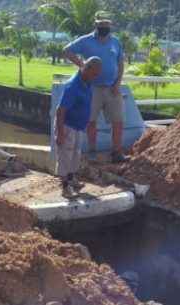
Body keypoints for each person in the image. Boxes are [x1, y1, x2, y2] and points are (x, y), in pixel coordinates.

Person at [63, 15, 127, 163]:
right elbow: (66, 50)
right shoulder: (85, 40)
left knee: (118, 121)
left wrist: (117, 83)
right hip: (92, 88)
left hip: (112, 88)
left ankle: (116, 152)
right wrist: (83, 65)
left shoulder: (116, 42)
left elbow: (120, 64)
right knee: (91, 121)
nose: (104, 27)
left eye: (107, 25)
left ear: (110, 26)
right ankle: (92, 151)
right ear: (96, 25)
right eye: (101, 24)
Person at [55, 57, 103, 198]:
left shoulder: (87, 82)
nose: (95, 77)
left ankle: (71, 179)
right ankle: (65, 187)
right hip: (67, 126)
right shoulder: (73, 86)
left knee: (75, 154)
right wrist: (60, 133)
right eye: (94, 74)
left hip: (78, 126)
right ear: (87, 69)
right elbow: (60, 111)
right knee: (65, 155)